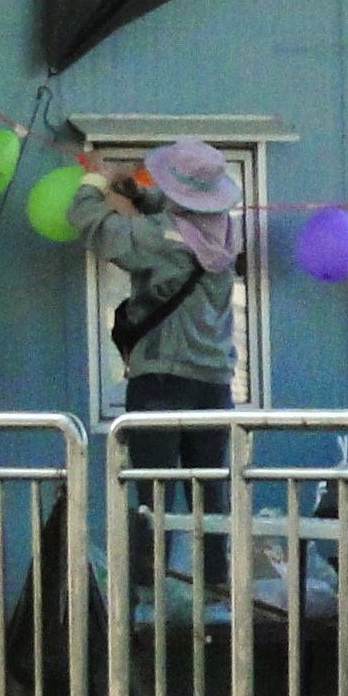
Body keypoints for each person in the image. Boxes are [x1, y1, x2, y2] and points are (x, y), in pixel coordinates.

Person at [69, 140, 241, 586]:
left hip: (162, 379)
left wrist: (96, 182)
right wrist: (141, 197)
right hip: (215, 383)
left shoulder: (162, 236)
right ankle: (216, 594)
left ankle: (147, 601)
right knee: (211, 499)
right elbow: (177, 227)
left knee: (152, 499)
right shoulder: (224, 230)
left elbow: (92, 225)